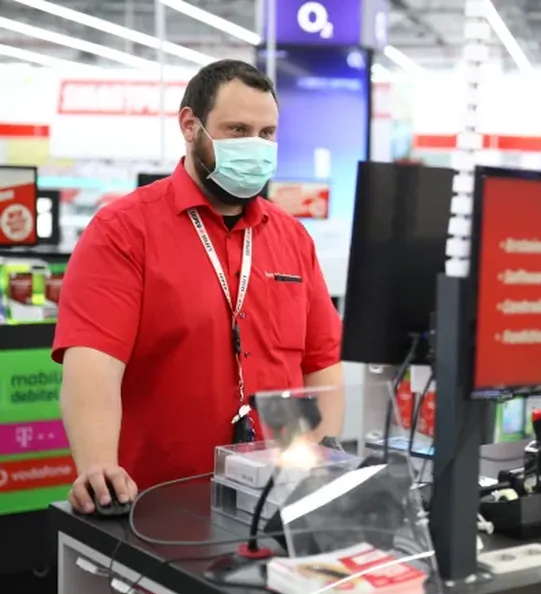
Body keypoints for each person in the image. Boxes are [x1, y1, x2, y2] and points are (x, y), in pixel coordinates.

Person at [54, 60, 345, 513]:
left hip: (274, 503)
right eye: (237, 129)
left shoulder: (292, 238)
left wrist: (316, 467)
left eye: (266, 133)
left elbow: (320, 363)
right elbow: (93, 368)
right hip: (158, 505)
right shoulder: (123, 231)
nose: (256, 145)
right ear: (190, 126)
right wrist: (99, 470)